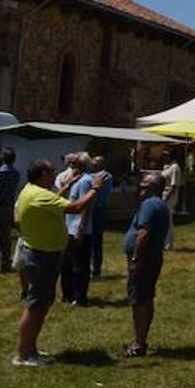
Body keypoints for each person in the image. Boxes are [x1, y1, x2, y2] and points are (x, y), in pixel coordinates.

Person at [12, 159, 103, 367]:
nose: (56, 173)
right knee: (36, 306)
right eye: (52, 171)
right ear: (43, 174)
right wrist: (95, 188)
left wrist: (68, 185)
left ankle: (31, 348)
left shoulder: (31, 190)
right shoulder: (40, 195)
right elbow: (76, 207)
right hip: (41, 256)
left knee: (42, 303)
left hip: (42, 253)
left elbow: (54, 199)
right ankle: (23, 355)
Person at [123, 172, 172, 357]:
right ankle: (140, 340)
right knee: (145, 297)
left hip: (145, 259)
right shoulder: (158, 204)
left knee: (139, 300)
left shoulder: (150, 204)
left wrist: (136, 259)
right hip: (151, 257)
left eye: (144, 185)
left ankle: (139, 344)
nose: (140, 188)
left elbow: (143, 233)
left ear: (153, 187)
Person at [54, 154, 95, 306]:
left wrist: (80, 230)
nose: (71, 165)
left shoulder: (85, 181)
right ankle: (67, 294)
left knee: (80, 265)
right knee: (66, 264)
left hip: (78, 229)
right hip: (68, 228)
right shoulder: (75, 180)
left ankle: (80, 297)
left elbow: (86, 207)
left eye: (74, 163)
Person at [88, 155, 114, 277]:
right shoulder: (93, 175)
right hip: (94, 208)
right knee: (89, 238)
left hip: (98, 209)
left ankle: (96, 267)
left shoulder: (106, 176)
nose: (92, 164)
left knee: (96, 239)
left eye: (95, 162)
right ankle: (90, 265)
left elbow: (92, 180)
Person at [160, 152, 182, 251]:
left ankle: (169, 244)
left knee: (168, 219)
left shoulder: (175, 168)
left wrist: (166, 198)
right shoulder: (166, 167)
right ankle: (163, 242)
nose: (164, 158)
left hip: (170, 196)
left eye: (166, 156)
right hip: (163, 194)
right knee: (163, 219)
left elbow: (174, 186)